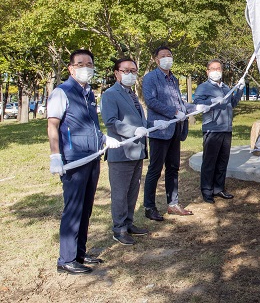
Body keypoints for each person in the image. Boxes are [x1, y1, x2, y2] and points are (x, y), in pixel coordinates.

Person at [47, 49, 120, 274]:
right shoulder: (62, 92)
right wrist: (55, 156)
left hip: (92, 156)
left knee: (86, 207)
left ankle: (79, 252)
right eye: (80, 64)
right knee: (74, 208)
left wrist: (103, 138)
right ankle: (66, 260)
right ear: (71, 68)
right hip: (74, 159)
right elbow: (53, 125)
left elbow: (90, 124)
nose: (85, 67)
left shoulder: (89, 93)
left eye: (89, 63)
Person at [100, 58, 156, 245]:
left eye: (133, 71)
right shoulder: (110, 94)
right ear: (116, 73)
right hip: (121, 152)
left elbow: (139, 121)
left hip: (137, 151)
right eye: (126, 70)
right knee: (120, 193)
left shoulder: (132, 94)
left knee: (132, 191)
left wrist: (153, 125)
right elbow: (111, 121)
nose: (130, 74)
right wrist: (134, 131)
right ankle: (119, 229)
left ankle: (129, 223)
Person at [142, 46, 197, 220]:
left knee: (173, 168)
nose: (167, 58)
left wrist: (196, 107)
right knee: (155, 170)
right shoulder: (151, 78)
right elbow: (151, 101)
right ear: (157, 60)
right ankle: (149, 207)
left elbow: (179, 103)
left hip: (175, 131)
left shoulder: (173, 79)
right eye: (163, 56)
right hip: (160, 130)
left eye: (170, 55)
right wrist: (173, 113)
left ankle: (173, 204)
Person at [193, 60, 244, 203]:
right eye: (213, 68)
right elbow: (197, 103)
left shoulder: (226, 87)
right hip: (212, 128)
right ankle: (207, 191)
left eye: (219, 68)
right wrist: (212, 101)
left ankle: (218, 188)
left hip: (226, 128)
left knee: (222, 160)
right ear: (207, 71)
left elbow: (232, 103)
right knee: (210, 161)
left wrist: (239, 90)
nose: (216, 71)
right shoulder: (203, 87)